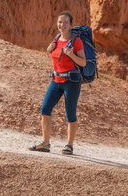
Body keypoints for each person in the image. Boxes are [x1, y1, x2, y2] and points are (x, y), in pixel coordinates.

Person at [29, 11, 86, 155]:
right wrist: (49, 51)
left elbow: (83, 62)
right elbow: (57, 59)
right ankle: (45, 143)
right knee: (45, 109)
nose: (62, 25)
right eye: (60, 22)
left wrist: (71, 54)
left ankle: (69, 145)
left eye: (66, 22)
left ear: (71, 25)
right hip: (56, 80)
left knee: (70, 114)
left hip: (71, 82)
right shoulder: (56, 39)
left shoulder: (76, 41)